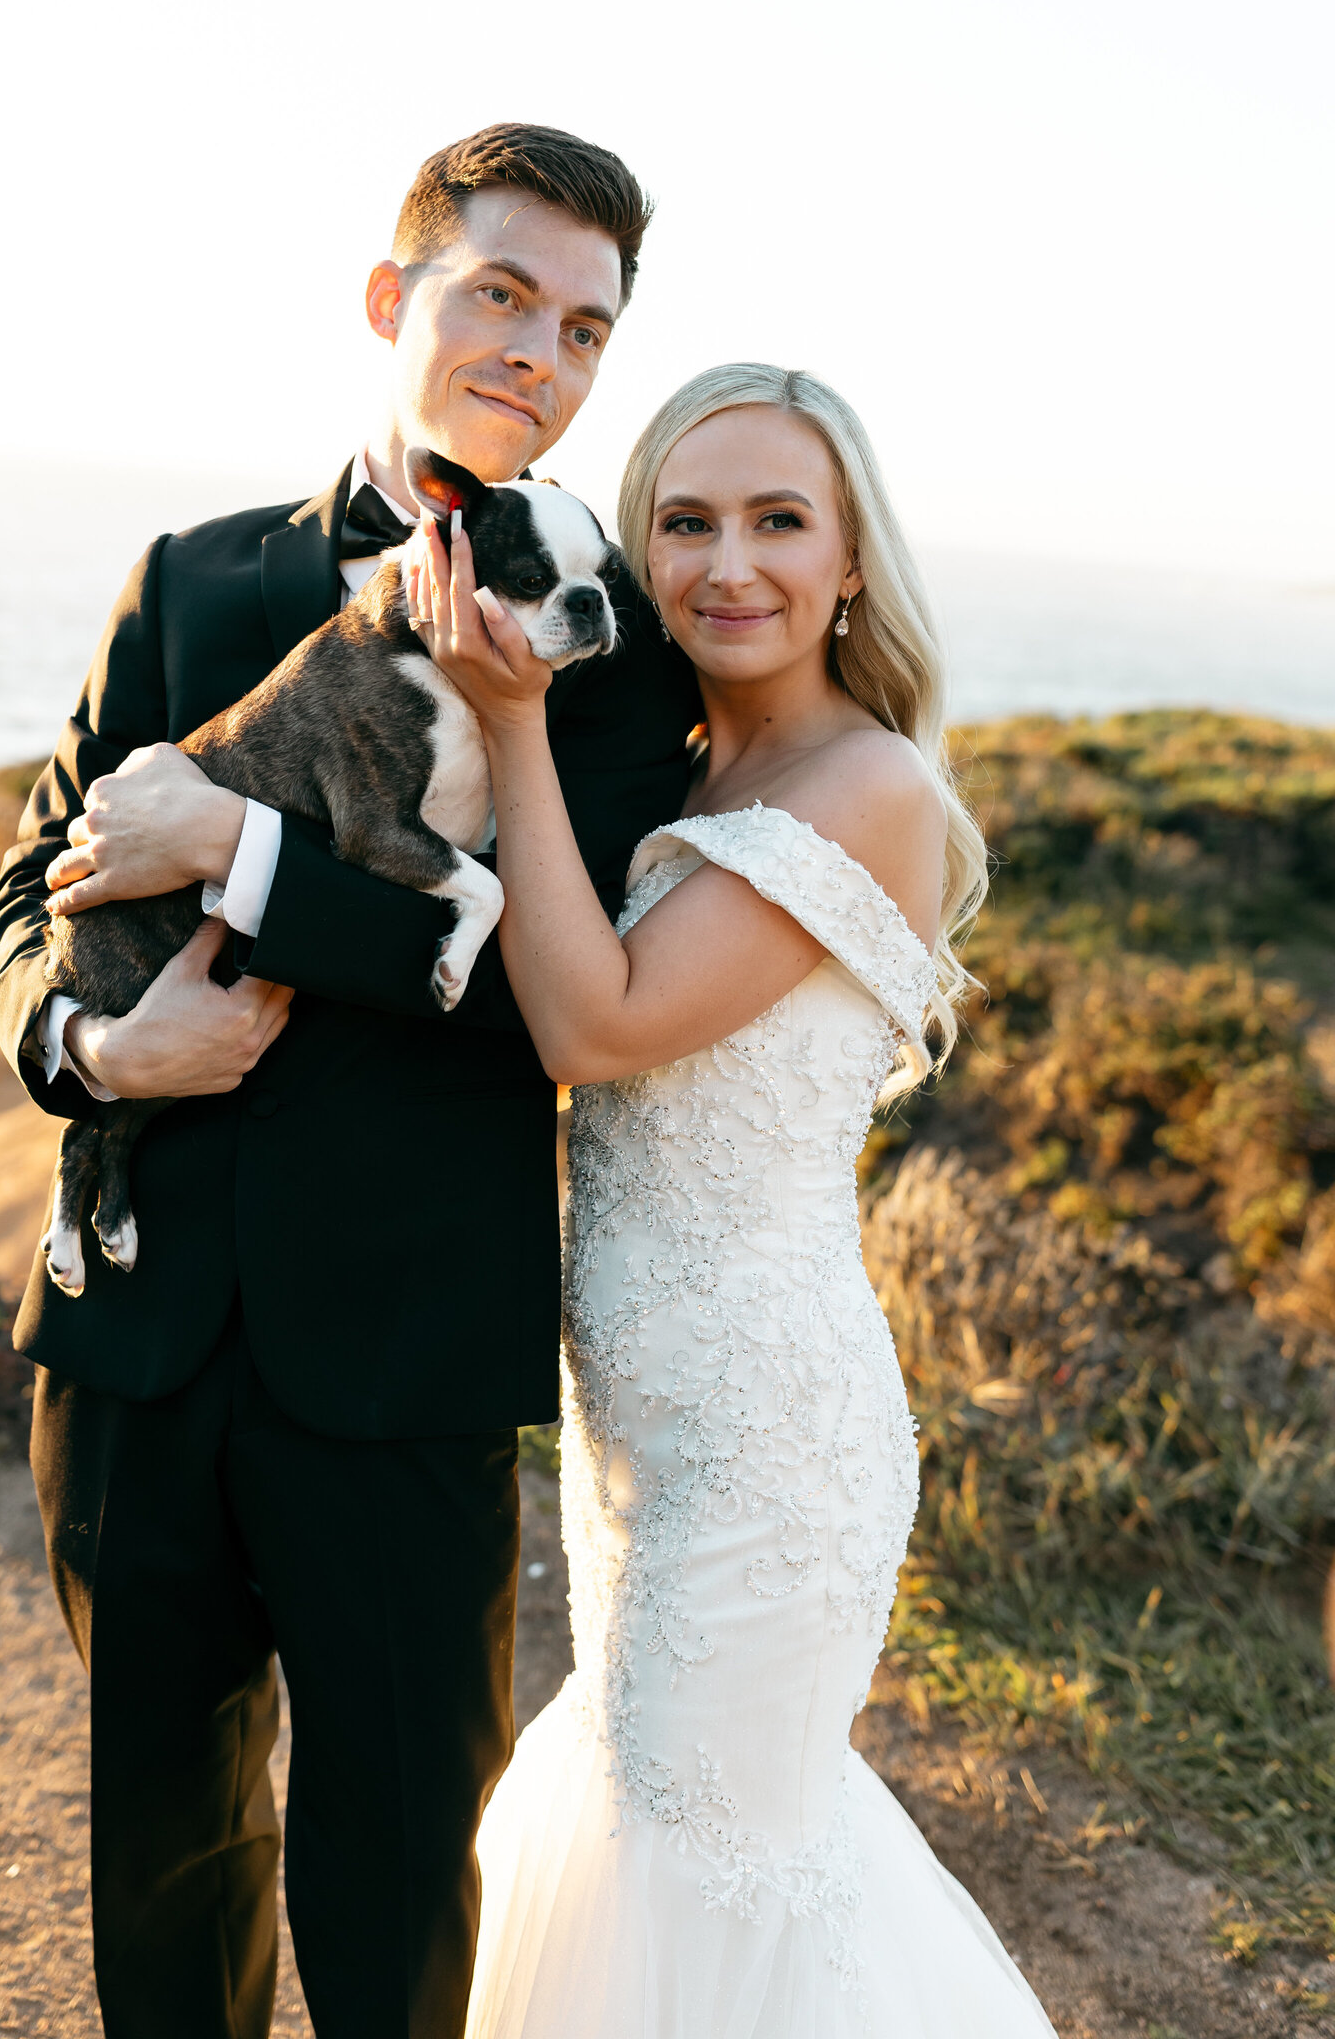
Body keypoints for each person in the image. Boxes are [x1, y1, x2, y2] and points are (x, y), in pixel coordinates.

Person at [0, 124, 701, 2039]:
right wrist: (95, 1047)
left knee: (393, 1896)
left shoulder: (615, 664)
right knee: (163, 1861)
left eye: (584, 328)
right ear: (395, 301)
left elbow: (549, 996)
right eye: (500, 294)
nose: (539, 352)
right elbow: (26, 887)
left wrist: (237, 855)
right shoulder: (186, 582)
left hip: (400, 1369)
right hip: (132, 1348)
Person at [404, 363, 1057, 2036]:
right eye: (683, 523)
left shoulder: (868, 789)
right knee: (662, 1837)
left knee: (705, 1863)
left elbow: (594, 1025)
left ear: (851, 562)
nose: (729, 563)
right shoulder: (689, 768)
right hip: (643, 1441)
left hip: (769, 1450)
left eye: (780, 520)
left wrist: (515, 723)